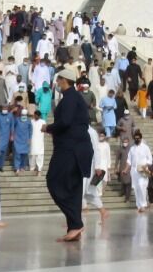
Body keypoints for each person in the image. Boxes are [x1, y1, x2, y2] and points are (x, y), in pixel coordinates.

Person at [45, 67, 93, 242]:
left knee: (54, 181)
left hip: (71, 148)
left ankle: (76, 223)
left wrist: (48, 128)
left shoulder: (71, 98)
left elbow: (65, 122)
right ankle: (74, 226)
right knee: (72, 187)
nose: (57, 83)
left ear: (64, 80)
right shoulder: (71, 98)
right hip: (74, 147)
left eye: (58, 80)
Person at [83, 127, 111, 224]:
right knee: (87, 191)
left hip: (88, 165)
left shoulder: (91, 132)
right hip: (79, 164)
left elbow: (96, 149)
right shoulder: (76, 127)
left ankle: (73, 220)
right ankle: (102, 211)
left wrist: (97, 166)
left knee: (82, 191)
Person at [126, 130, 153, 212]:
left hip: (143, 170)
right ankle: (139, 206)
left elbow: (150, 159)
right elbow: (129, 160)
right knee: (136, 188)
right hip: (134, 171)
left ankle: (144, 204)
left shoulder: (145, 147)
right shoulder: (132, 148)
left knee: (142, 186)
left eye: (138, 138)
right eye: (135, 138)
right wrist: (125, 169)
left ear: (141, 138)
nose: (137, 139)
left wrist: (146, 165)